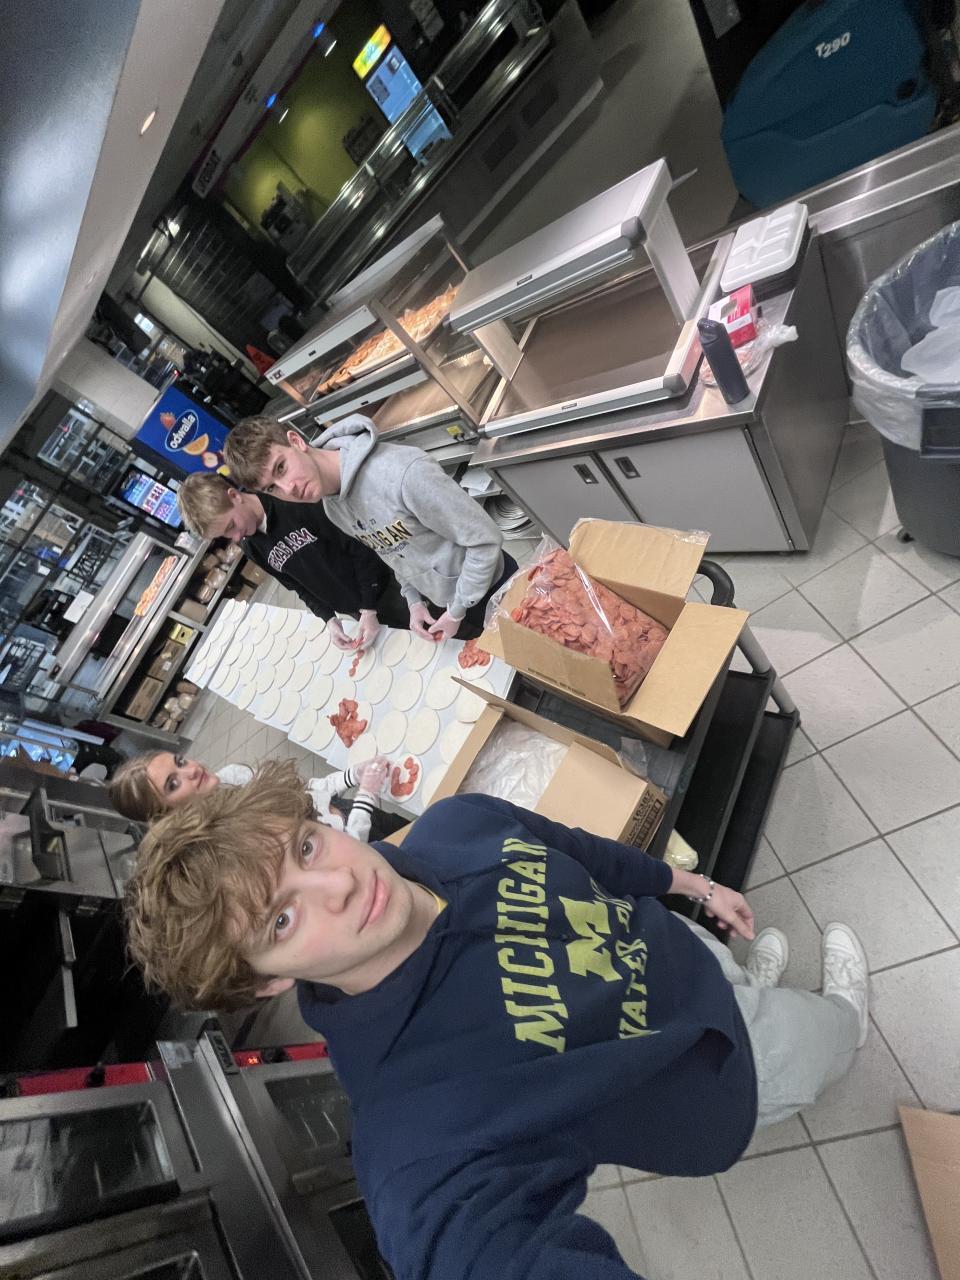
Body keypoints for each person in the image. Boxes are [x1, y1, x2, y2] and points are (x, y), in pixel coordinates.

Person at [125, 762, 869, 1279]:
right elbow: (470, 1245)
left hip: (674, 942)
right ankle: (844, 1016)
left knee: (730, 966)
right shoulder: (418, 1129)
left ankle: (752, 977)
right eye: (282, 919)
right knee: (824, 1038)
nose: (339, 884)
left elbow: (584, 853)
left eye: (305, 847)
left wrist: (694, 888)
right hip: (724, 1064)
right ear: (267, 981)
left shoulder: (458, 823)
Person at [223, 414, 515, 643]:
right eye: (271, 488)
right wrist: (414, 599)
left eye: (281, 467)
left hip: (494, 587)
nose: (288, 488)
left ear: (296, 441)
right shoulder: (332, 506)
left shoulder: (400, 473)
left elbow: (485, 541)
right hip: (450, 601)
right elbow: (394, 550)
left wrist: (457, 610)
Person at [177, 472, 408, 651]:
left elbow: (359, 547)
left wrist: (369, 606)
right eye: (226, 535)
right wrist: (328, 618)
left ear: (235, 496)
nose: (236, 537)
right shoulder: (251, 546)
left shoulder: (292, 500)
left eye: (231, 526)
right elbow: (298, 585)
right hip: (358, 610)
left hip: (391, 587)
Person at [109, 750, 392, 842]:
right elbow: (347, 852)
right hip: (362, 840)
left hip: (352, 811)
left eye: (180, 762)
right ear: (168, 815)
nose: (192, 770)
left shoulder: (234, 775)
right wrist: (367, 795)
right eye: (173, 784)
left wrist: (352, 777)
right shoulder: (239, 838)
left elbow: (306, 789)